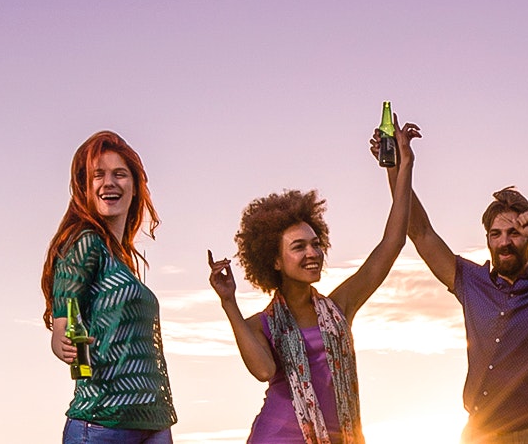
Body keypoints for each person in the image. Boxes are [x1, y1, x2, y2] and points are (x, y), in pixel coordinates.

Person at [369, 135, 528, 444]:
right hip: (478, 432)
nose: (504, 242)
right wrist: (399, 169)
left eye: (515, 233)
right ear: (487, 238)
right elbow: (421, 232)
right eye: (495, 234)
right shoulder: (470, 281)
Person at [208, 117, 420, 444]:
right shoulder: (259, 325)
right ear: (274, 261)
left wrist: (403, 167)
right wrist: (228, 302)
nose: (312, 252)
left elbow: (392, 244)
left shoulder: (339, 307)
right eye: (299, 247)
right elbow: (264, 371)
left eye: (315, 243)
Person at [41, 131, 177, 443]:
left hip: (153, 420)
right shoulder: (84, 241)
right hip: (103, 422)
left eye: (120, 174)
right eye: (97, 175)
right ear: (85, 187)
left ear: (135, 186)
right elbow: (65, 310)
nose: (109, 182)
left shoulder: (121, 260)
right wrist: (60, 337)